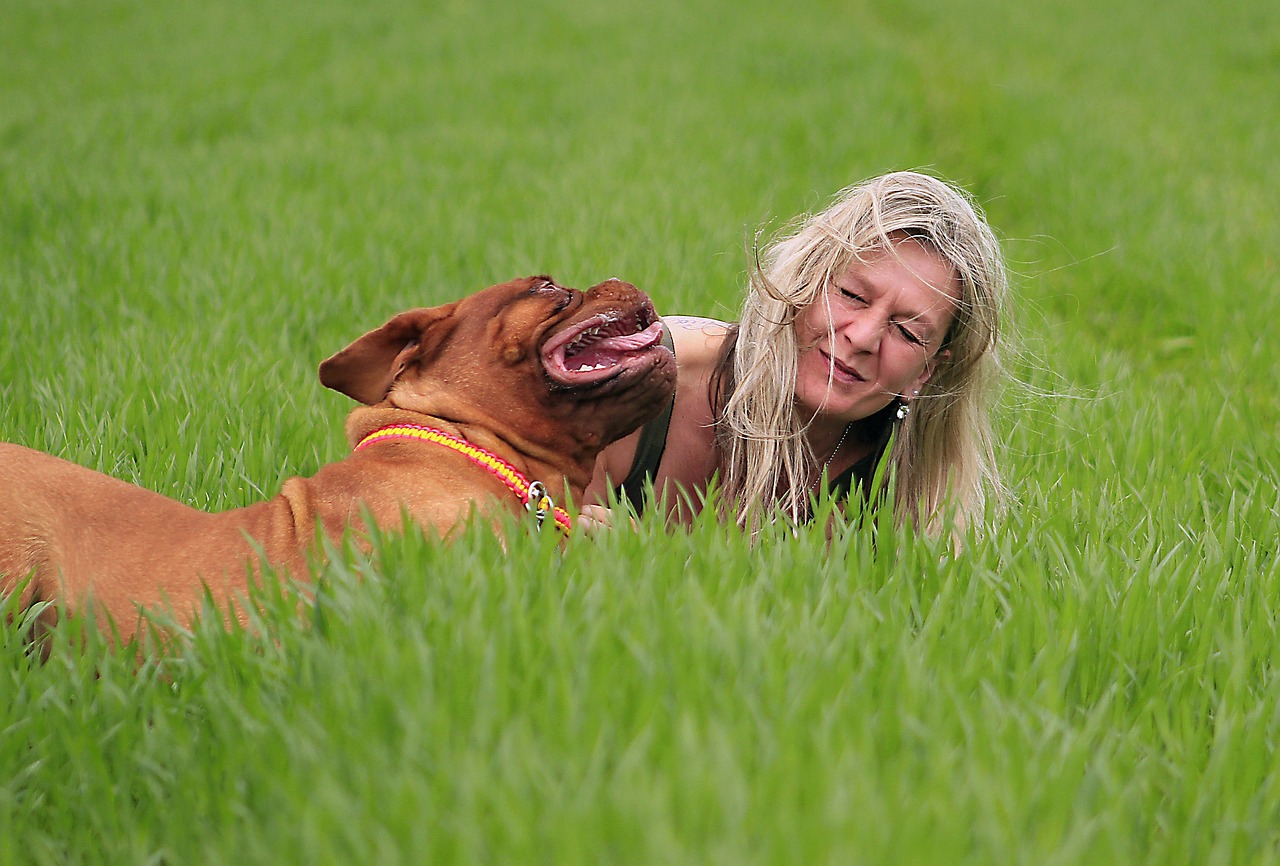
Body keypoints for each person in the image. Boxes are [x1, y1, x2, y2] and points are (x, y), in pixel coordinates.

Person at [582, 170, 1009, 538]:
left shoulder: (903, 496)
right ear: (805, 281)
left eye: (907, 333)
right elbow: (524, 552)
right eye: (852, 295)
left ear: (927, 372)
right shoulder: (641, 385)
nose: (863, 337)